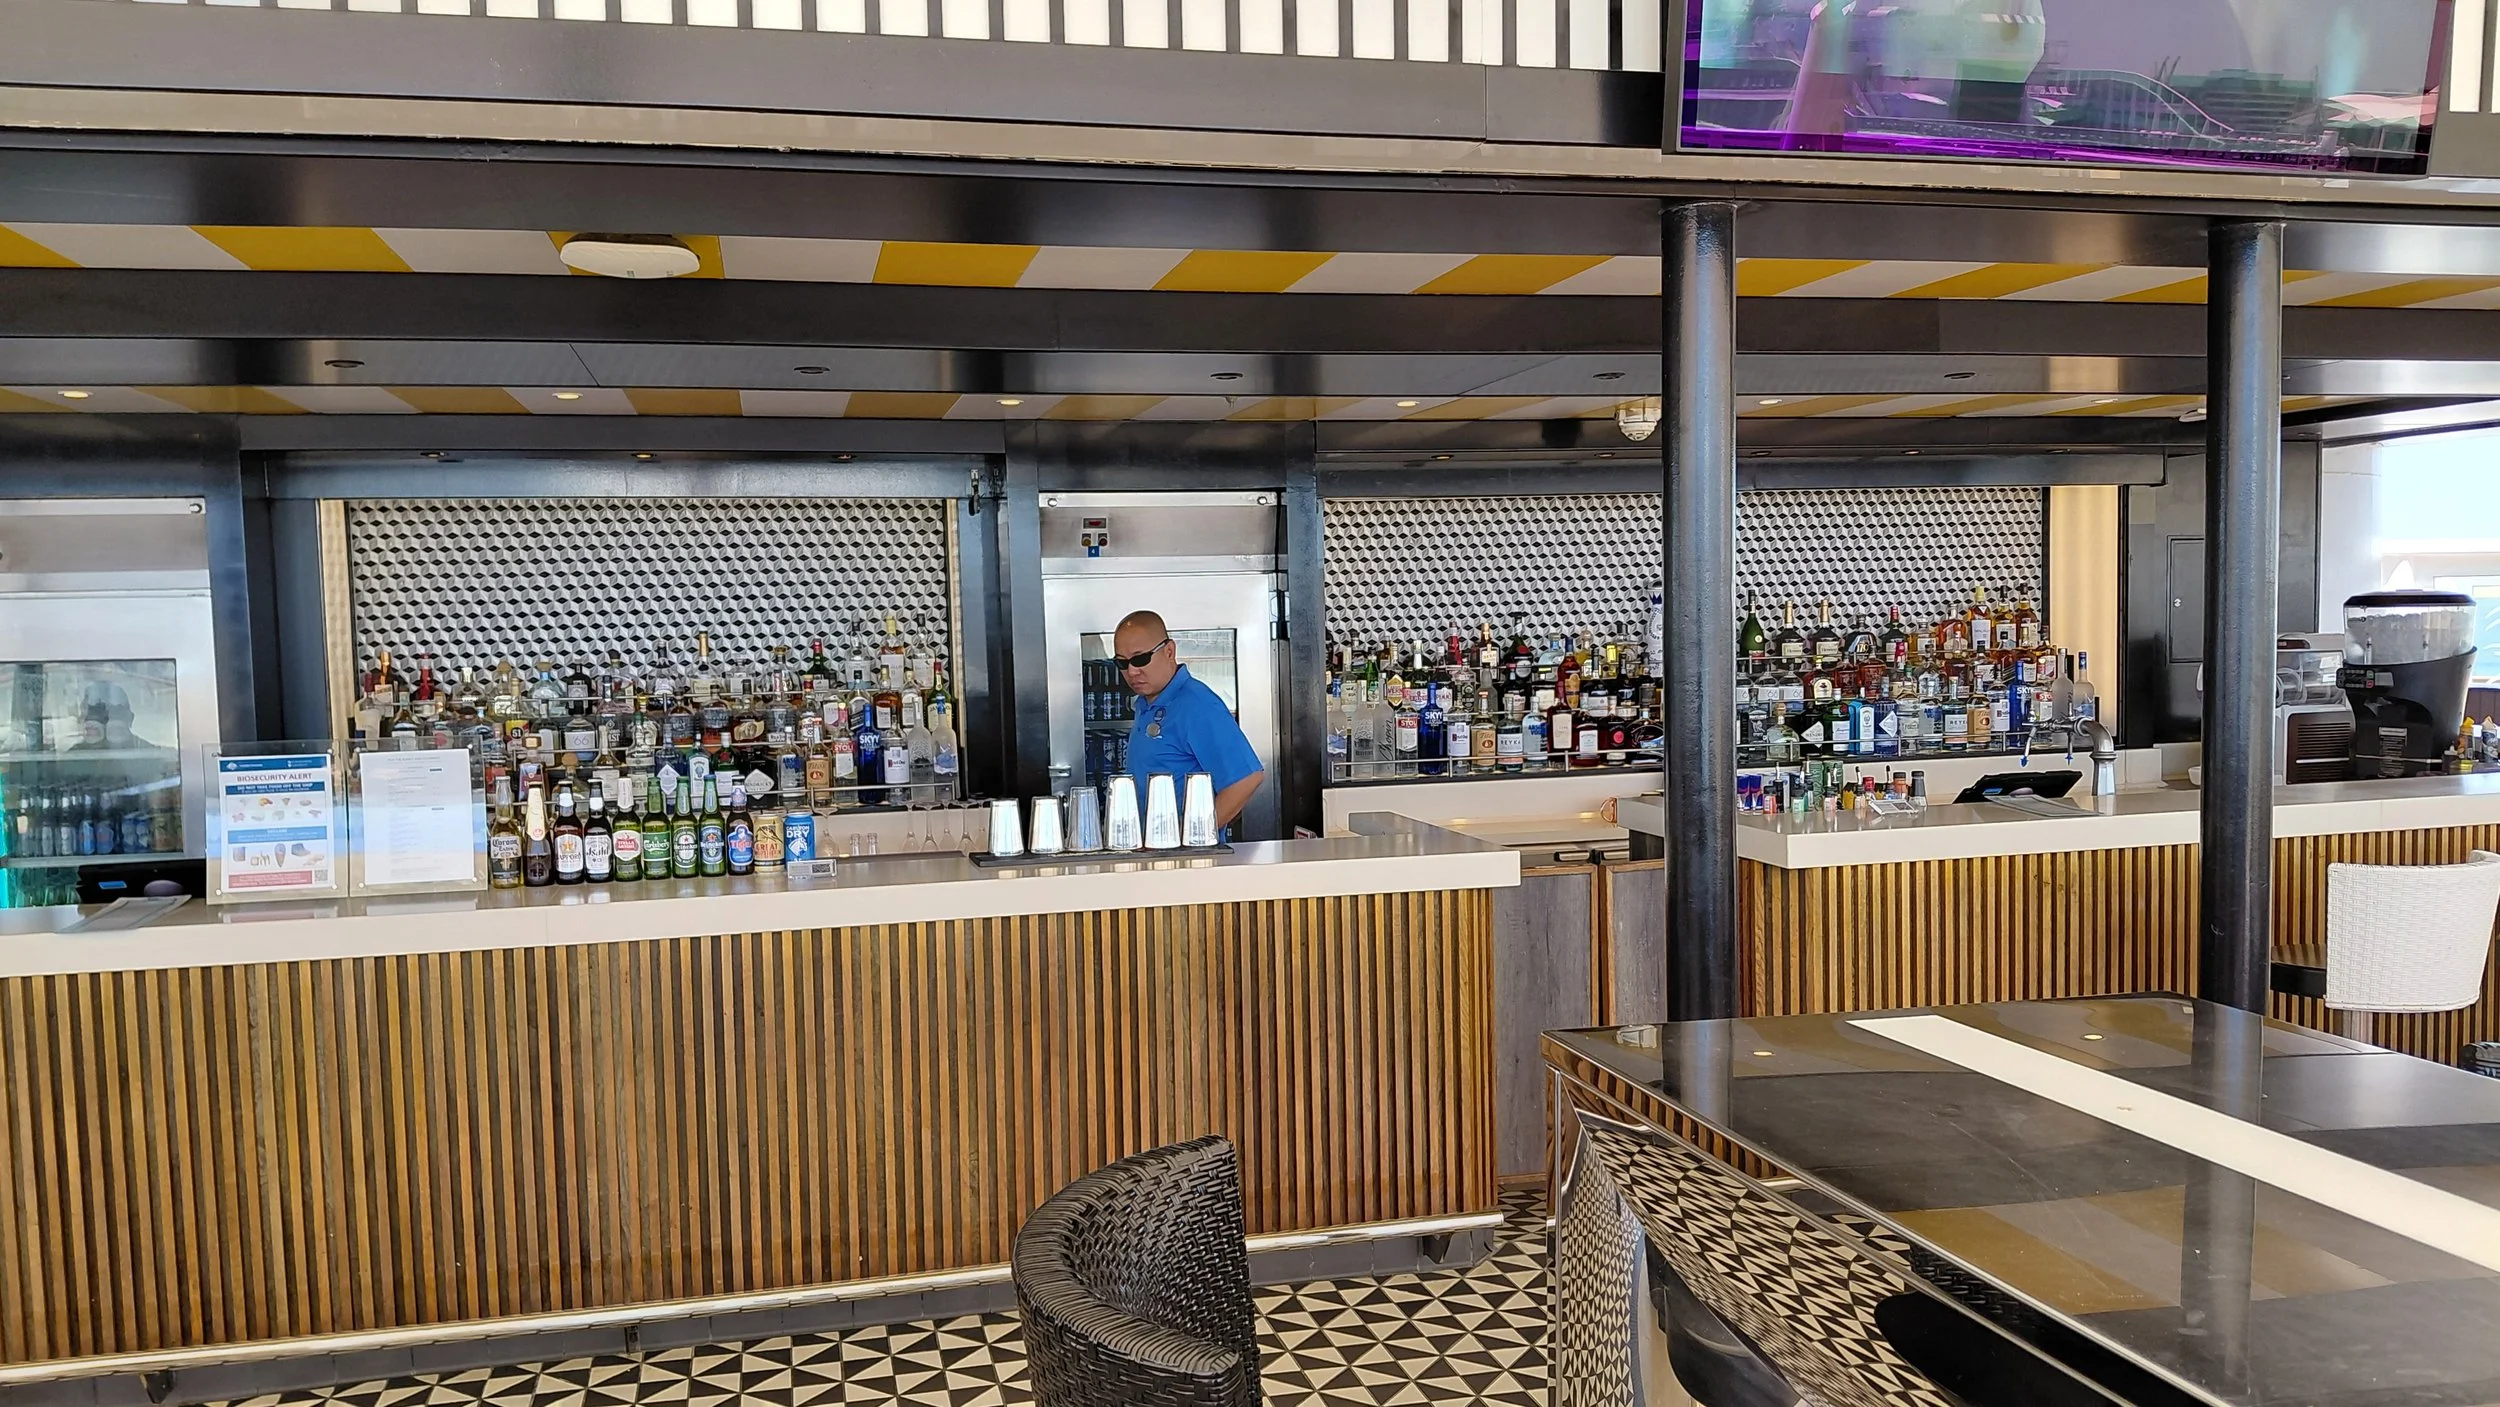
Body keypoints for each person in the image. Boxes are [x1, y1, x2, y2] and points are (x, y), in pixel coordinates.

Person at [1112, 610, 1265, 834]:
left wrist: (1192, 836)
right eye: (1122, 663)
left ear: (1169, 651)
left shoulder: (1196, 704)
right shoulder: (1146, 703)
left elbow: (1246, 779)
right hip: (1150, 850)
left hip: (1184, 860)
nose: (1132, 671)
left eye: (1140, 658)